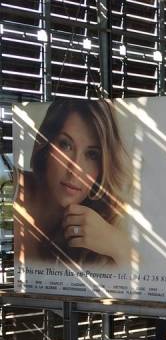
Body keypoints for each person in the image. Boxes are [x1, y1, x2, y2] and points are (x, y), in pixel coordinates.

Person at [15, 99, 132, 267]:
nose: (75, 170)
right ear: (46, 144)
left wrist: (117, 245)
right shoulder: (12, 190)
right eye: (65, 145)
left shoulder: (105, 224)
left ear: (103, 166)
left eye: (92, 155)